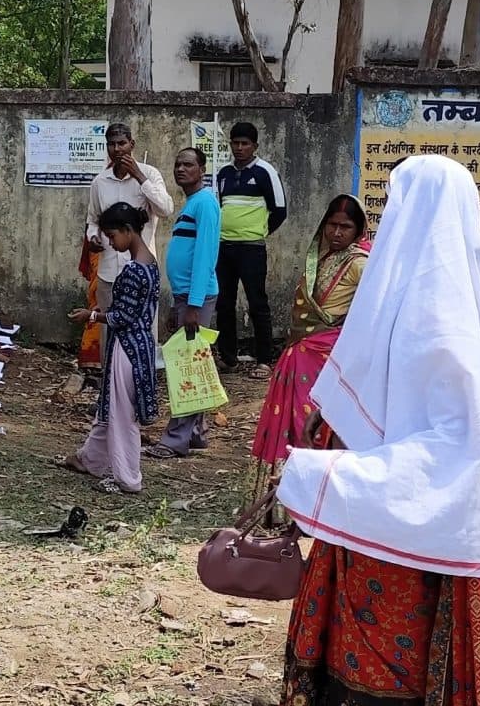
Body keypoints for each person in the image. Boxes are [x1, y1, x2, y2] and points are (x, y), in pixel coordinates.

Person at [270, 154, 480, 706]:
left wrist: (342, 478)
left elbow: (450, 445)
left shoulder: (441, 314)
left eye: (393, 198)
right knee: (354, 659)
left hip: (403, 531)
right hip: (369, 522)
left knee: (383, 667)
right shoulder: (407, 291)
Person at [251, 195, 370, 465]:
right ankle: (286, 477)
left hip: (325, 351)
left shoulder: (359, 263)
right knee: (296, 414)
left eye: (345, 227)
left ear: (359, 230)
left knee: (312, 415)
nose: (336, 233)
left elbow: (372, 309)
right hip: (303, 347)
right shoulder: (325, 256)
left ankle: (311, 474)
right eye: (332, 225)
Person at [63, 203, 162, 493]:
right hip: (140, 344)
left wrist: (91, 315)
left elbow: (123, 316)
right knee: (109, 409)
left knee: (121, 415)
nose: (109, 242)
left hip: (127, 347)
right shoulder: (150, 263)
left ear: (128, 231)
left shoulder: (133, 271)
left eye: (112, 235)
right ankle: (91, 460)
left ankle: (128, 478)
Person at [80, 124, 174, 372]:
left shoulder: (150, 175)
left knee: (142, 333)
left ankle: (142, 384)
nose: (117, 149)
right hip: (109, 272)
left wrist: (140, 178)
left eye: (122, 143)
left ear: (132, 144)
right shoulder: (100, 182)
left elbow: (166, 209)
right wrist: (93, 237)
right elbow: (92, 219)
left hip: (140, 272)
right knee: (109, 333)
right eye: (111, 144)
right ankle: (109, 391)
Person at [153, 147, 223, 458]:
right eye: (178, 164)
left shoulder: (206, 203)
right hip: (185, 297)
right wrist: (177, 303)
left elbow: (206, 255)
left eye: (189, 165)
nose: (181, 169)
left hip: (197, 298)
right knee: (192, 364)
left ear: (202, 169)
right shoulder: (191, 204)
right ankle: (195, 432)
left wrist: (194, 305)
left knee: (187, 371)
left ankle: (174, 439)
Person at [212, 122, 289, 375]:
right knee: (224, 303)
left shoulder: (266, 171)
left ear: (255, 146)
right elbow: (218, 206)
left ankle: (264, 360)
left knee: (257, 303)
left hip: (252, 249)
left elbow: (279, 210)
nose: (240, 148)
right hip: (224, 248)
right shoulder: (222, 173)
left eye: (245, 143)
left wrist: (259, 232)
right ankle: (229, 358)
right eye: (236, 143)